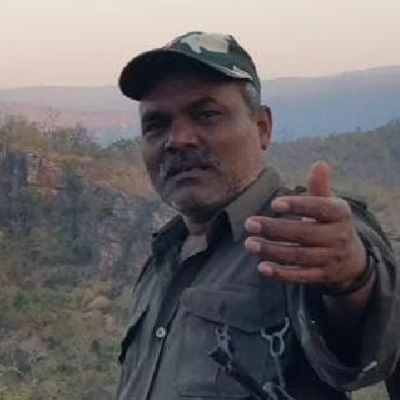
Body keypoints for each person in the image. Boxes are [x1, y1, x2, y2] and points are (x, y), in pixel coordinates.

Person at [115, 31, 400, 400]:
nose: (179, 139)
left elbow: (370, 330)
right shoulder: (162, 258)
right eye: (156, 124)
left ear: (262, 127)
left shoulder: (302, 234)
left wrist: (352, 280)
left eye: (206, 115)